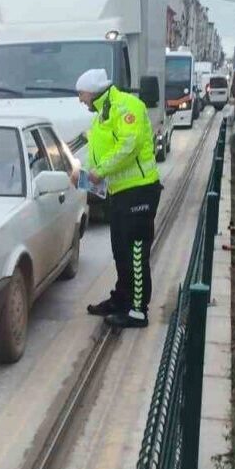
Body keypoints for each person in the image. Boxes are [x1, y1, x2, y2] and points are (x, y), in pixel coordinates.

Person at [77, 68, 162, 329]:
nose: (80, 100)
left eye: (81, 95)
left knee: (136, 252)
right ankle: (121, 299)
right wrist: (82, 175)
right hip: (119, 192)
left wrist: (98, 172)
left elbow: (129, 144)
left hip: (140, 190)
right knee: (121, 251)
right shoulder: (102, 116)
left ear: (92, 92)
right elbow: (97, 154)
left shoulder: (128, 106)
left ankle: (138, 311)